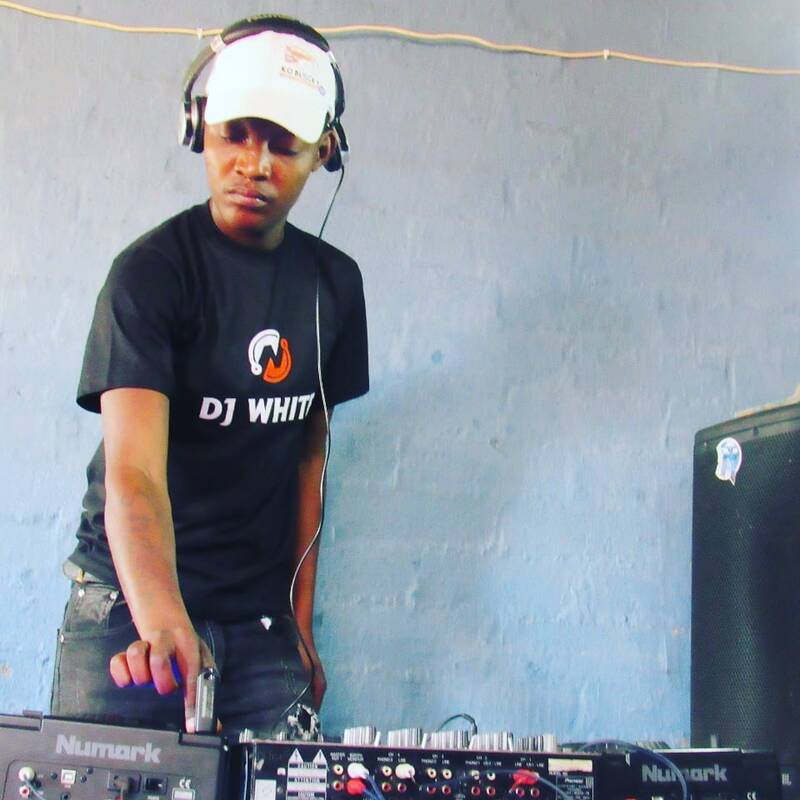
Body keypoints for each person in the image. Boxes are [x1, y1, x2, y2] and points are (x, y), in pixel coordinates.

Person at [49, 15, 368, 737]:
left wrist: (299, 623)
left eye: (283, 144)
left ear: (323, 150)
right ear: (200, 130)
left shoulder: (335, 288)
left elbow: (309, 461)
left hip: (257, 621)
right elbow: (134, 475)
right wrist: (163, 620)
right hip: (129, 609)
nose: (255, 164)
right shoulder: (150, 275)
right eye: (235, 135)